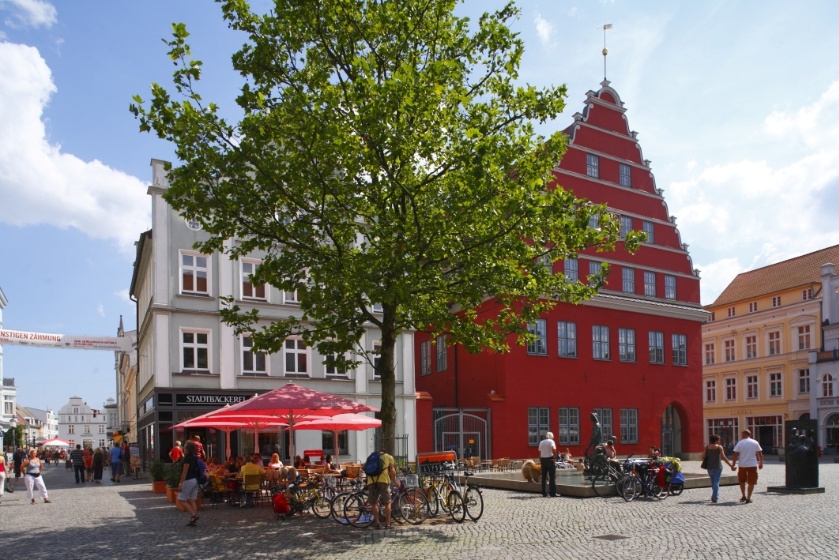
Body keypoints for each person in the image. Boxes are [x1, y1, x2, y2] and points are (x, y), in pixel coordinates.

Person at [366, 449, 397, 530]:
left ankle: (377, 523)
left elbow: (364, 467)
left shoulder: (371, 457)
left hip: (371, 481)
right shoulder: (388, 457)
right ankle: (387, 524)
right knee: (387, 503)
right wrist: (395, 481)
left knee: (374, 503)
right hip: (384, 481)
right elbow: (392, 470)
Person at [731, 429, 763, 503]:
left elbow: (735, 455)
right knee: (751, 481)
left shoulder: (740, 443)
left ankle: (743, 495)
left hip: (742, 464)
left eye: (742, 434)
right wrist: (760, 463)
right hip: (752, 464)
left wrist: (733, 464)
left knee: (742, 480)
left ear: (744, 435)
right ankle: (748, 497)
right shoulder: (755, 442)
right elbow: (760, 454)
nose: (741, 436)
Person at [702, 434, 733, 503]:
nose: (719, 441)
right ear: (716, 440)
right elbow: (724, 457)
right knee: (716, 482)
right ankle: (715, 497)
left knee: (713, 482)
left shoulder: (707, 447)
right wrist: (730, 465)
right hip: (718, 467)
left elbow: (703, 456)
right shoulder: (719, 447)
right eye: (719, 440)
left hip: (709, 467)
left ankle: (714, 495)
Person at [177, 441, 201, 526]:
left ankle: (193, 516)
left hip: (188, 480)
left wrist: (180, 483)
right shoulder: (194, 457)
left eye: (184, 447)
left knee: (181, 499)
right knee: (192, 500)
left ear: (187, 448)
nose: (183, 448)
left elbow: (185, 471)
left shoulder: (187, 458)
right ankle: (193, 520)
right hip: (195, 480)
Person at [538, 431, 558, 498]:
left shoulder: (541, 442)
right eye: (553, 437)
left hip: (543, 459)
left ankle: (544, 493)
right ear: (551, 436)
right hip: (550, 459)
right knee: (552, 477)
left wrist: (540, 459)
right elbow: (554, 449)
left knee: (544, 477)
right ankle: (553, 493)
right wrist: (554, 458)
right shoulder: (551, 441)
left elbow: (539, 452)